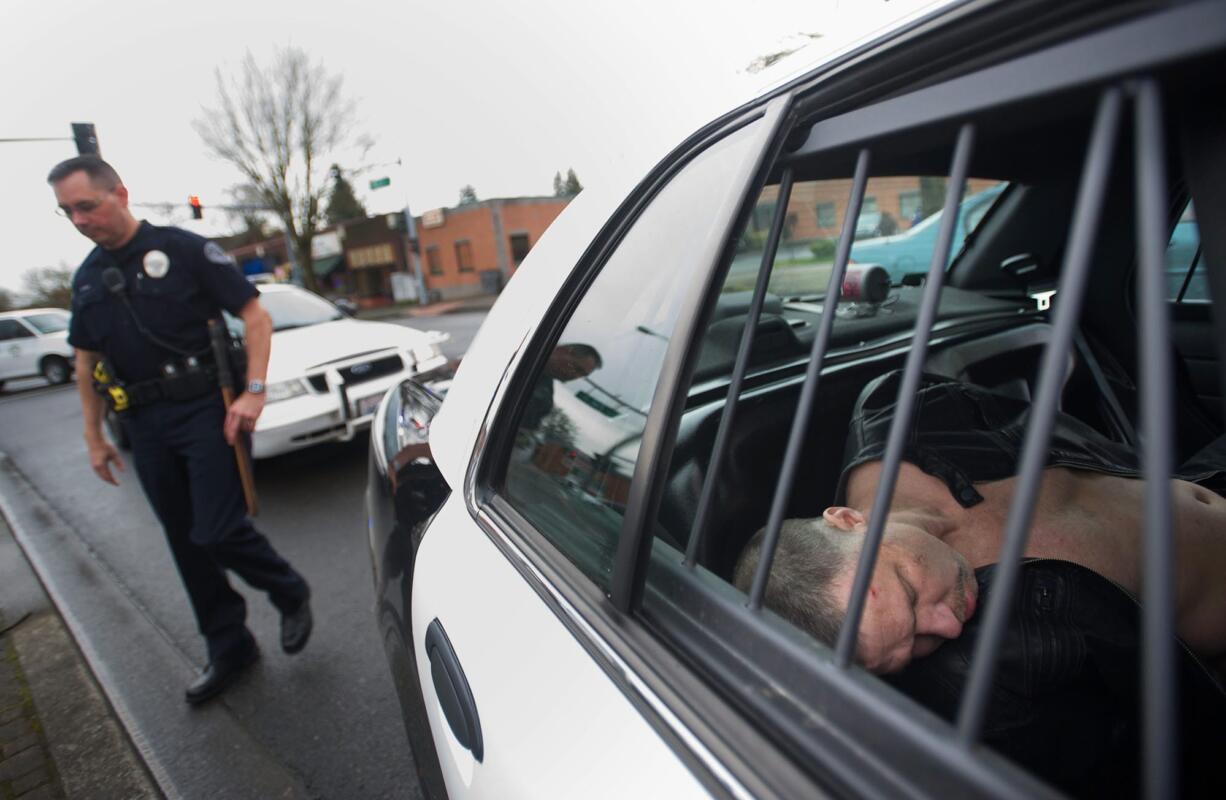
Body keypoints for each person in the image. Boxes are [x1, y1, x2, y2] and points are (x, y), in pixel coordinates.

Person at [734, 369, 1226, 676]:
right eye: (916, 645)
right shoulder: (993, 656)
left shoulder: (905, 421)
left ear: (846, 520)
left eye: (908, 591)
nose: (947, 626)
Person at [49, 155, 312, 705]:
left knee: (215, 530)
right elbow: (85, 362)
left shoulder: (185, 250)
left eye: (86, 206)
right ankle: (228, 645)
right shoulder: (88, 279)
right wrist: (94, 437)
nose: (78, 219)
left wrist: (254, 392)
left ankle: (288, 590)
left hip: (205, 410)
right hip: (142, 422)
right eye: (67, 211)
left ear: (119, 193)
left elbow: (255, 316)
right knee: (182, 539)